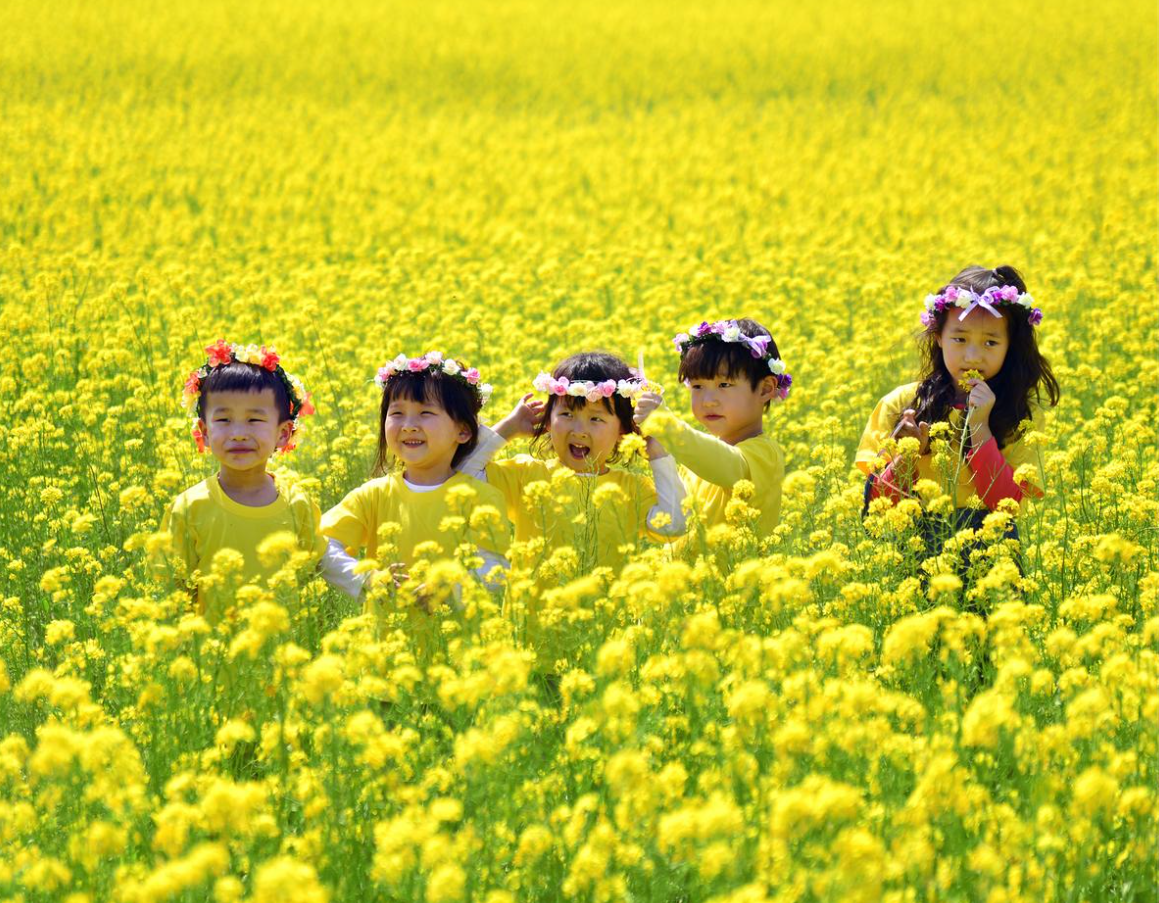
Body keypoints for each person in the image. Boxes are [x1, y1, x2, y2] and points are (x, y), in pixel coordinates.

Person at [856, 265, 1059, 560]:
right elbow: (877, 511)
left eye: (990, 342)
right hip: (915, 558)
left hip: (992, 556)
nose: (973, 356)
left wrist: (980, 427)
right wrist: (906, 457)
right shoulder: (901, 404)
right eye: (960, 339)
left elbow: (1006, 507)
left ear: (1010, 346)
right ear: (938, 336)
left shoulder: (1021, 414)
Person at [458, 351, 687, 573]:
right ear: (547, 420)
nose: (579, 430)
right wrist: (509, 428)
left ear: (623, 430)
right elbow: (461, 476)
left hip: (606, 612)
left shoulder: (633, 489)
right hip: (535, 612)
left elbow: (673, 527)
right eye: (567, 415)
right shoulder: (526, 475)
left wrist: (659, 451)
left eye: (595, 418)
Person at [320, 352, 511, 612]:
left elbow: (495, 570)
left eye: (425, 413)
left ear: (463, 431)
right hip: (383, 643)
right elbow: (322, 543)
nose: (409, 425)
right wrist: (367, 579)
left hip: (458, 643)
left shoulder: (482, 498)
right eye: (397, 413)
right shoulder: (373, 495)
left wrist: (447, 590)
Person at [162, 340, 323, 621]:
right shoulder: (189, 507)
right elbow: (171, 593)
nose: (238, 433)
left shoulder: (297, 504)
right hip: (215, 658)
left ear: (283, 433)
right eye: (223, 420)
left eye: (254, 420)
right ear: (204, 432)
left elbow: (313, 582)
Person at [632, 318, 789, 551]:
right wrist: (659, 452)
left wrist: (666, 425)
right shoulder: (698, 457)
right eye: (697, 387)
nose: (708, 401)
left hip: (735, 585)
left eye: (724, 385)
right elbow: (675, 523)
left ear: (765, 388)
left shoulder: (765, 454)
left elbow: (727, 465)